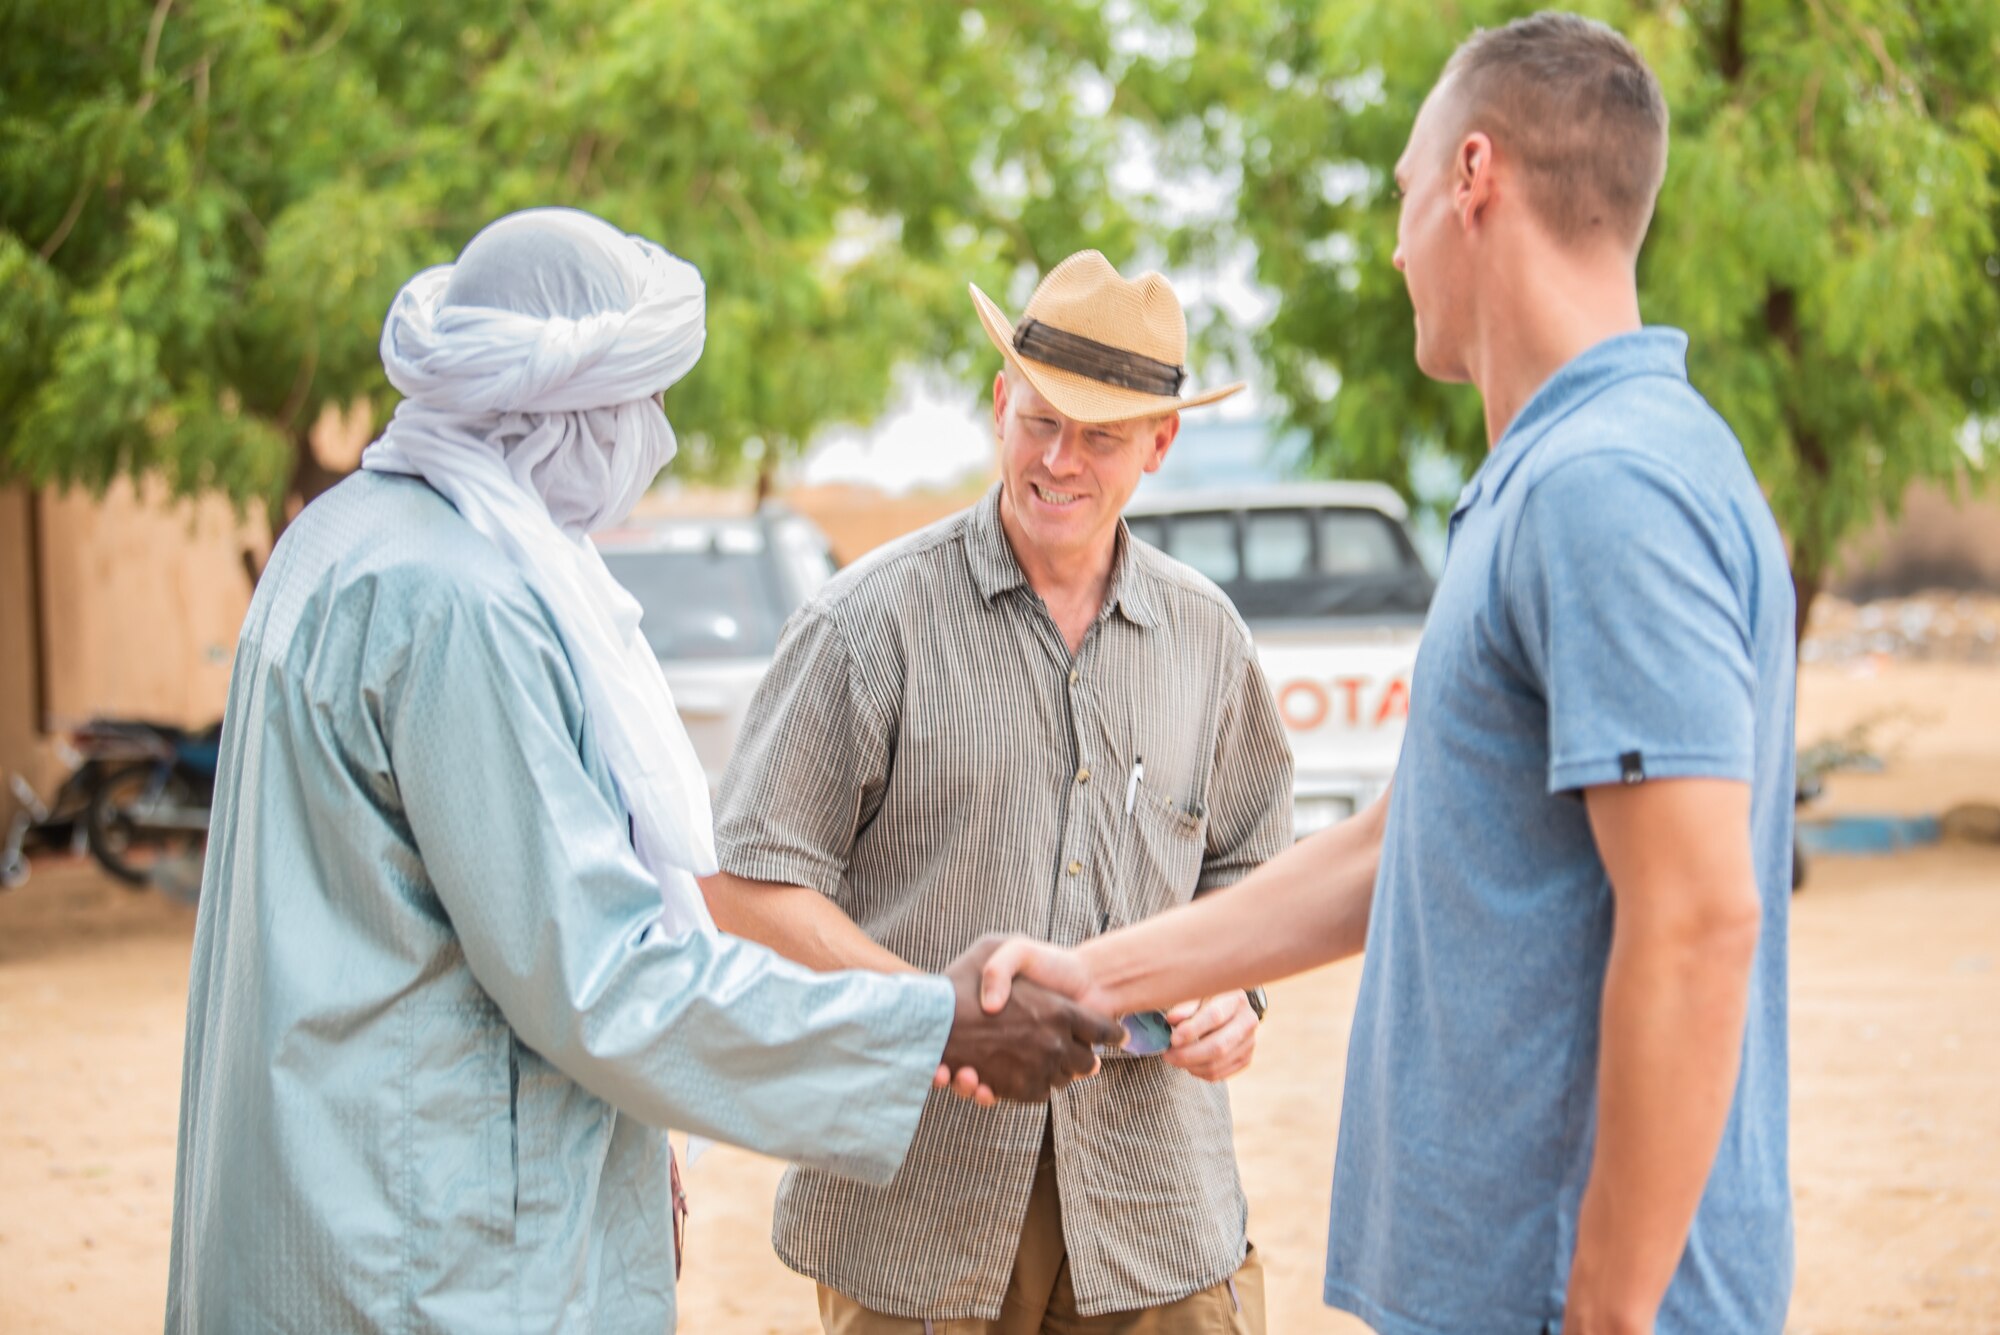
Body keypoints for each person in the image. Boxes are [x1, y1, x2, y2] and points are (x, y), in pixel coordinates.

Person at [980, 16, 1798, 1335]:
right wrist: (1091, 975)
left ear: (1476, 174)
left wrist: (1606, 1309)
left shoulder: (1605, 486)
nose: (1397, 238)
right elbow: (1395, 848)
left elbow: (1701, 917)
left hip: (1555, 1296)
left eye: (1408, 191)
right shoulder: (1569, 471)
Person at [165, 207, 1119, 1334]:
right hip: (427, 1244)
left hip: (347, 1181)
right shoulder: (460, 603)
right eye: (641, 404)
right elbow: (599, 975)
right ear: (560, 414)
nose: (655, 438)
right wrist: (928, 1023)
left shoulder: (347, 540)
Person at [703, 250, 1295, 1333]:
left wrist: (1236, 991)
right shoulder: (862, 626)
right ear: (996, 406)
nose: (1058, 460)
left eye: (1100, 435)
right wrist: (932, 1017)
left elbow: (1251, 859)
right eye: (1038, 421)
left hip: (1158, 1215)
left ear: (1160, 443)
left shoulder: (1207, 638)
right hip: (918, 1217)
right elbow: (746, 884)